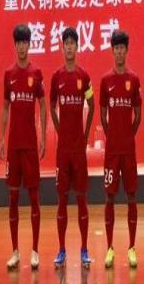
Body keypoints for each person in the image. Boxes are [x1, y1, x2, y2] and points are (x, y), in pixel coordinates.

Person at [0, 24, 47, 270]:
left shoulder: (36, 73)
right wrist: (1, 138)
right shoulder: (8, 74)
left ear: (30, 44)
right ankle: (15, 251)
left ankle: (35, 251)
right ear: (15, 45)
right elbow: (5, 108)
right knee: (13, 198)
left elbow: (43, 105)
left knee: (34, 197)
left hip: (29, 146)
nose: (21, 46)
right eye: (18, 42)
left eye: (25, 42)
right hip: (14, 147)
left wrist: (43, 138)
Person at [50, 27, 95, 269]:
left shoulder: (83, 76)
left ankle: (84, 249)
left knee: (81, 199)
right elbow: (51, 106)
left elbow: (92, 104)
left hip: (78, 151)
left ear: (77, 47)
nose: (69, 47)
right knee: (62, 200)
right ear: (62, 47)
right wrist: (60, 131)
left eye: (72, 43)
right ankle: (61, 249)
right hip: (63, 151)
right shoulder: (56, 77)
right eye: (66, 43)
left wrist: (85, 135)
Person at [99, 30, 142, 268]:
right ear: (112, 50)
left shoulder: (133, 79)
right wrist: (113, 136)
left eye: (122, 48)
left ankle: (132, 247)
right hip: (112, 151)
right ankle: (109, 248)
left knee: (131, 195)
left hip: (129, 150)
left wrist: (127, 135)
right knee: (109, 196)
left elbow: (138, 115)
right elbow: (103, 115)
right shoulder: (106, 80)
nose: (118, 52)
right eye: (115, 48)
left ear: (127, 50)